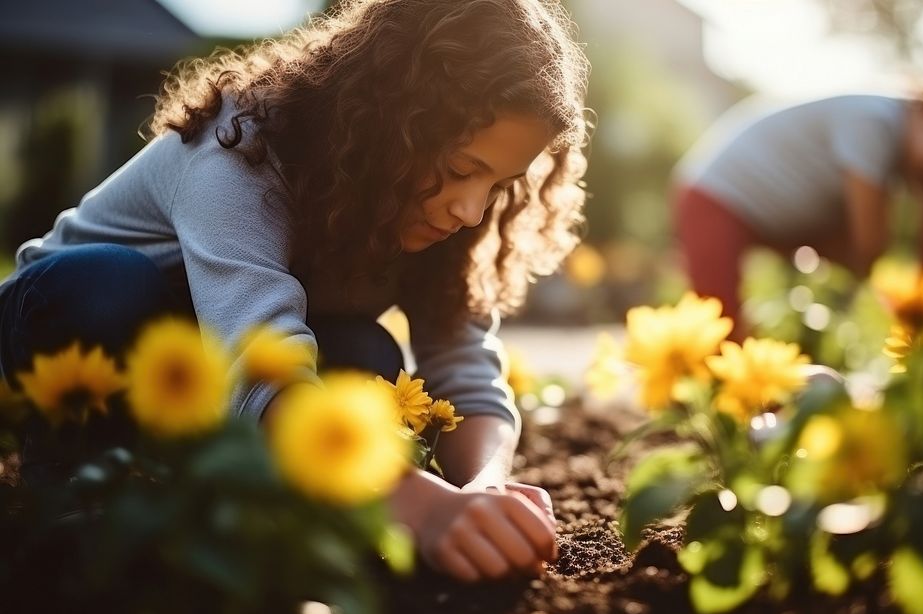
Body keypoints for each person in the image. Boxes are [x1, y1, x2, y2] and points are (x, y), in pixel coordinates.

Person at [0, 0, 590, 583]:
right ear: (393, 118)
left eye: (499, 183)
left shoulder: (443, 215)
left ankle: (215, 497)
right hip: (66, 326)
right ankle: (77, 494)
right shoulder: (241, 146)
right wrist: (423, 508)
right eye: (462, 169)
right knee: (106, 286)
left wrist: (481, 490)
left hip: (203, 379)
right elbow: (261, 365)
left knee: (366, 357)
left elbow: (467, 371)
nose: (470, 209)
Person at [673, 94, 923, 339]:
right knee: (719, 325)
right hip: (717, 196)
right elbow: (869, 244)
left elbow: (848, 252)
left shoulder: (886, 136)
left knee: (739, 324)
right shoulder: (875, 123)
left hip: (756, 216)